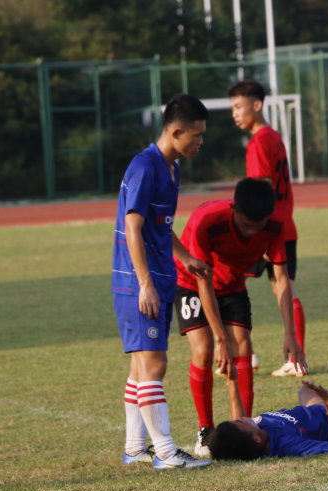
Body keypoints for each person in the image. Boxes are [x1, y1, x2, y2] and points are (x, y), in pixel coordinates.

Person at [111, 94, 213, 469]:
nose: (201, 142)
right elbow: (133, 227)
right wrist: (145, 284)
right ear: (176, 132)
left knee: (141, 367)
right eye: (196, 135)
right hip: (140, 284)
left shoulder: (172, 168)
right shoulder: (145, 167)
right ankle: (167, 453)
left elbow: (159, 226)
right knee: (155, 365)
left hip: (158, 277)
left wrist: (185, 257)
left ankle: (135, 448)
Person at [174, 178, 307, 457]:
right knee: (205, 350)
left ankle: (243, 427)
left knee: (243, 348)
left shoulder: (276, 225)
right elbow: (203, 281)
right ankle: (205, 429)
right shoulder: (207, 220)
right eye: (246, 225)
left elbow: (281, 279)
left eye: (258, 226)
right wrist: (220, 339)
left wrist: (290, 334)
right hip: (192, 282)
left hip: (233, 284)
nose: (251, 232)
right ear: (234, 208)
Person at [228, 80, 308, 377]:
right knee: (284, 287)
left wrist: (261, 235)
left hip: (265, 228)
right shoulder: (274, 136)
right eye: (232, 108)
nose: (235, 114)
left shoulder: (259, 141)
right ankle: (296, 357)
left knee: (230, 282)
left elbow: (262, 191)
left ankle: (246, 353)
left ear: (257, 105)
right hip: (284, 225)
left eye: (239, 106)